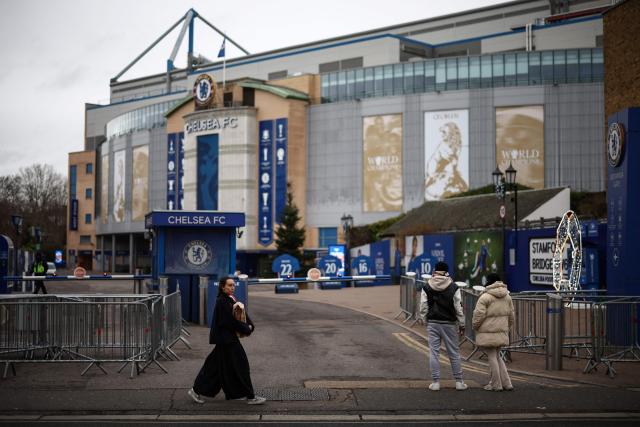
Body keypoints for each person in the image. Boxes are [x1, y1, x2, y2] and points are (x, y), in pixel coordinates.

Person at [188, 276, 266, 405]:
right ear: (222, 287)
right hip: (226, 340)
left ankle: (196, 390)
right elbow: (229, 321)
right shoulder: (222, 301)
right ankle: (250, 396)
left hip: (225, 340)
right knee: (241, 366)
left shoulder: (229, 299)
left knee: (216, 368)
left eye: (233, 285)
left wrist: (249, 325)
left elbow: (241, 314)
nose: (232, 287)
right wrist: (246, 328)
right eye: (229, 285)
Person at [419, 261, 467, 391]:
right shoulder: (453, 287)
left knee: (434, 353)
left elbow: (423, 306)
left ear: (435, 271)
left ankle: (435, 382)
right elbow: (458, 308)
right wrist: (462, 324)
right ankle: (459, 382)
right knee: (454, 353)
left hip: (433, 323)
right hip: (449, 324)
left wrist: (424, 319)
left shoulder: (427, 286)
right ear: (446, 272)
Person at [472, 273, 515, 392]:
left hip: (487, 331)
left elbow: (478, 315)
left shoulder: (485, 297)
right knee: (497, 356)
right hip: (501, 331)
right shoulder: (507, 296)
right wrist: (506, 328)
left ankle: (496, 384)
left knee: (492, 357)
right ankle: (507, 383)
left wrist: (475, 326)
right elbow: (512, 316)